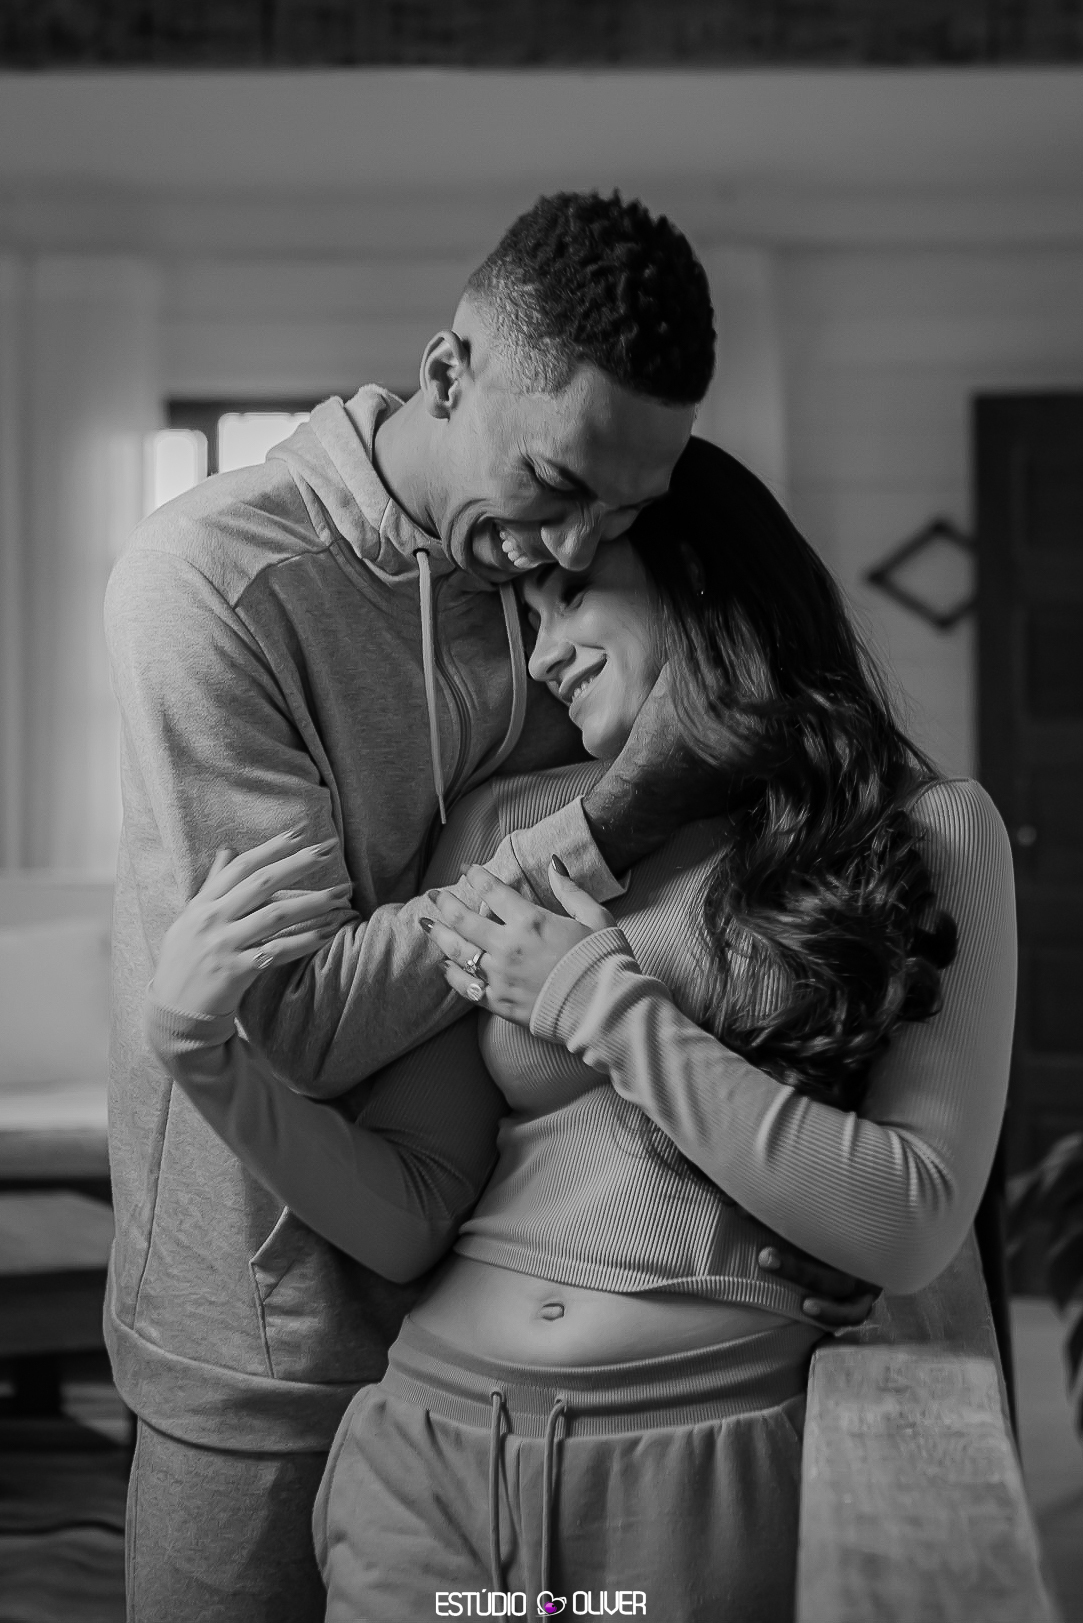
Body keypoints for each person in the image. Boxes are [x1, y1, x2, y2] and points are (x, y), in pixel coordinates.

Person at [145, 439, 1016, 1622]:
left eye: (569, 597)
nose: (540, 653)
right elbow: (413, 1213)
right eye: (523, 616)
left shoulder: (929, 830)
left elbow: (908, 1220)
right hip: (430, 1469)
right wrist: (204, 1061)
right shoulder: (511, 828)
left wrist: (593, 1002)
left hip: (700, 1479)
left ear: (699, 580)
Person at [104, 190, 717, 1623]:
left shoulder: (561, 589)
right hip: (265, 1337)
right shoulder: (216, 585)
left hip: (510, 1335)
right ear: (447, 371)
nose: (577, 545)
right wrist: (603, 821)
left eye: (628, 510)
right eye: (555, 481)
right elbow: (294, 1025)